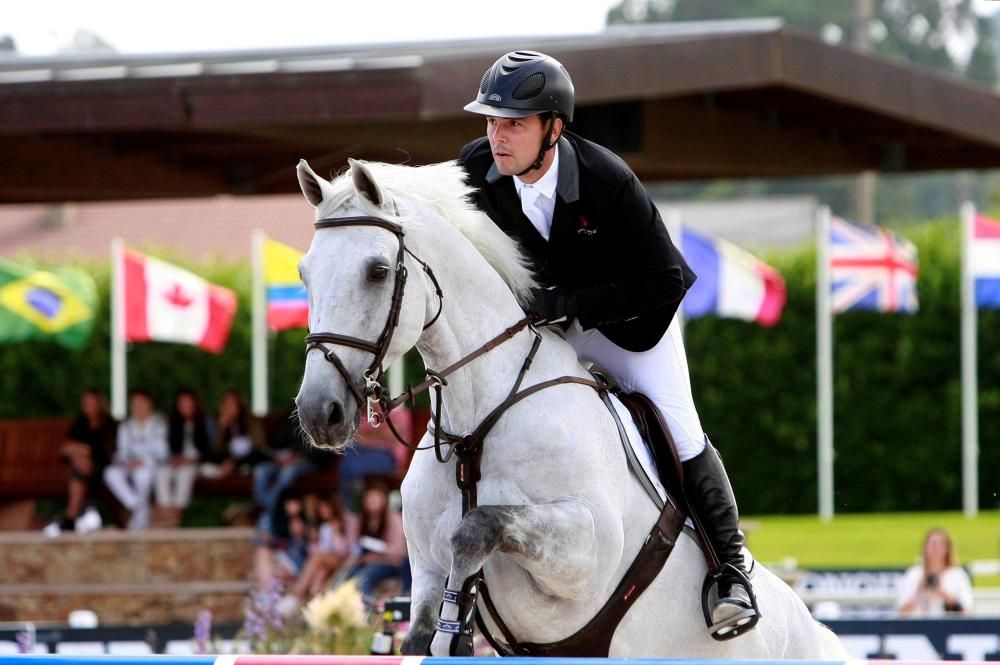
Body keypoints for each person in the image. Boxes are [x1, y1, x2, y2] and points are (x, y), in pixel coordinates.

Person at [457, 50, 755, 638]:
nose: (497, 136)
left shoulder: (606, 179)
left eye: (513, 123)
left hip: (633, 324)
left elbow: (666, 280)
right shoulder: (475, 169)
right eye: (491, 121)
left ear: (553, 129)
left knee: (680, 427)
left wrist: (569, 305)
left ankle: (731, 569)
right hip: (549, 323)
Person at [103, 388, 168, 530]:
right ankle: (137, 507)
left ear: (149, 403)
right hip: (130, 464)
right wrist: (127, 461)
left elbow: (162, 451)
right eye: (134, 403)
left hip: (151, 464)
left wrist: (143, 459)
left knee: (142, 475)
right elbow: (122, 451)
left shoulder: (159, 424)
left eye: (140, 403)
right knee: (110, 473)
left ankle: (139, 517)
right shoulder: (126, 426)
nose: (137, 407)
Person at [278, 493, 352, 615]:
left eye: (326, 507)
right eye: (321, 508)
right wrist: (313, 540)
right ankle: (316, 613)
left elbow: (344, 550)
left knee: (317, 558)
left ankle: (296, 596)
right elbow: (315, 551)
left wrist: (335, 533)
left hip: (342, 560)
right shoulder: (322, 527)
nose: (324, 510)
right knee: (316, 582)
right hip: (324, 562)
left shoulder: (343, 523)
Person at [55, 389, 117, 532]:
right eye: (85, 402)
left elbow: (104, 452)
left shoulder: (108, 424)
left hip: (103, 467)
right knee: (78, 465)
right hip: (82, 467)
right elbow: (66, 447)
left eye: (91, 402)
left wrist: (83, 452)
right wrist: (81, 453)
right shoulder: (81, 423)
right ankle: (71, 518)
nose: (87, 405)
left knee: (78, 466)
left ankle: (71, 516)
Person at [155, 388, 213, 526]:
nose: (186, 407)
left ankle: (176, 514)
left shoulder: (205, 423)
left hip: (196, 463)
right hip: (174, 462)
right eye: (182, 404)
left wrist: (190, 459)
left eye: (189, 404)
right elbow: (166, 449)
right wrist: (175, 459)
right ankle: (166, 511)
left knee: (185, 474)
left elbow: (209, 450)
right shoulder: (171, 423)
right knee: (161, 472)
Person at [346, 482, 409, 604]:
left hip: (389, 564)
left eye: (375, 498)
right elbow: (353, 545)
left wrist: (379, 549)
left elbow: (399, 551)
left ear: (383, 500)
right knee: (348, 578)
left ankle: (368, 611)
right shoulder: (361, 519)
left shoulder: (394, 518)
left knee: (362, 579)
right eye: (369, 499)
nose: (372, 502)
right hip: (365, 562)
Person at [897, 528, 974, 616]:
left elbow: (967, 612)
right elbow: (902, 613)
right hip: (918, 627)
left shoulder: (957, 575)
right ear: (925, 547)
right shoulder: (914, 574)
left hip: (949, 626)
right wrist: (918, 591)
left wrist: (944, 594)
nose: (936, 549)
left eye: (940, 545)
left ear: (947, 549)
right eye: (933, 544)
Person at [202, 390, 266, 478]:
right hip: (225, 458)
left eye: (232, 405)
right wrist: (222, 428)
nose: (229, 408)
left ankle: (237, 469)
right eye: (226, 405)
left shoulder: (252, 422)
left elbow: (258, 445)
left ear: (239, 406)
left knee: (258, 458)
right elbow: (215, 449)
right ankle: (224, 471)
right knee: (207, 459)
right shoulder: (215, 421)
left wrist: (235, 461)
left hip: (247, 457)